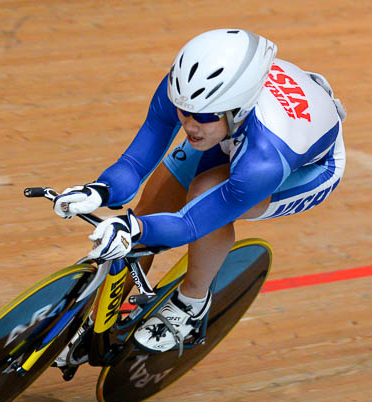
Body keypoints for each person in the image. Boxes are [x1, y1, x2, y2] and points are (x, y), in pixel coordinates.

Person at [53, 28, 346, 356]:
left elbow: (191, 224)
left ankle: (192, 302)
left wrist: (134, 228)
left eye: (203, 116)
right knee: (149, 212)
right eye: (183, 110)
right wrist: (100, 191)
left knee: (206, 192)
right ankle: (95, 328)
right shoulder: (190, 93)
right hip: (235, 133)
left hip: (306, 167)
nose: (190, 124)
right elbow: (135, 162)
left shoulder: (264, 161)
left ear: (237, 108)